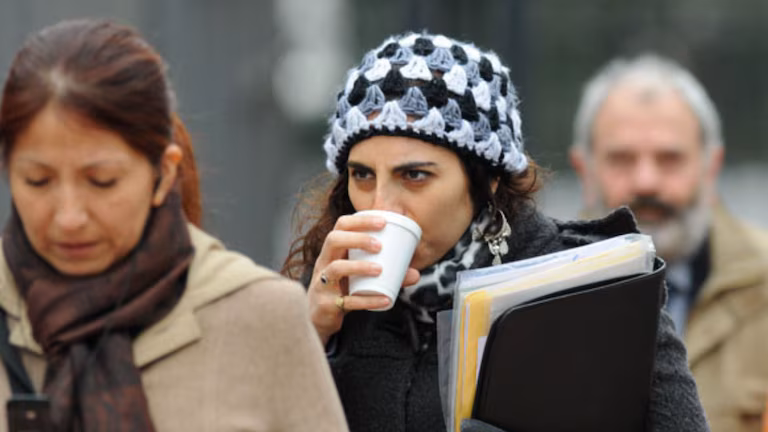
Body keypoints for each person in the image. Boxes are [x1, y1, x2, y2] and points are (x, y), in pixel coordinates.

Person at [283, 32, 709, 432]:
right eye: (361, 175)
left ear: (486, 179)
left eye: (414, 175)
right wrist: (306, 337)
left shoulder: (595, 289)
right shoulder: (325, 297)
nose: (380, 205)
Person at [0, 19, 347, 431]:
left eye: (102, 181)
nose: (69, 217)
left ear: (164, 173)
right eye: (38, 181)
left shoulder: (260, 315)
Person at [569, 54, 768, 432]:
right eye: (622, 159)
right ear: (585, 170)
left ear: (711, 166)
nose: (646, 182)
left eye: (670, 158)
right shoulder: (529, 292)